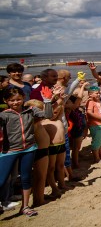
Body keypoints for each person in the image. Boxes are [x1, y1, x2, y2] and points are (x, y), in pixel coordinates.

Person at [0, 87, 53, 217]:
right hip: (10, 150)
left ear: (24, 98)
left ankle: (25, 207)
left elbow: (48, 115)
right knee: (1, 180)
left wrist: (47, 101)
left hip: (29, 148)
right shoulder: (3, 115)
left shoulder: (31, 110)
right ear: (6, 101)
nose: (15, 102)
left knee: (26, 178)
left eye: (18, 99)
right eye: (11, 100)